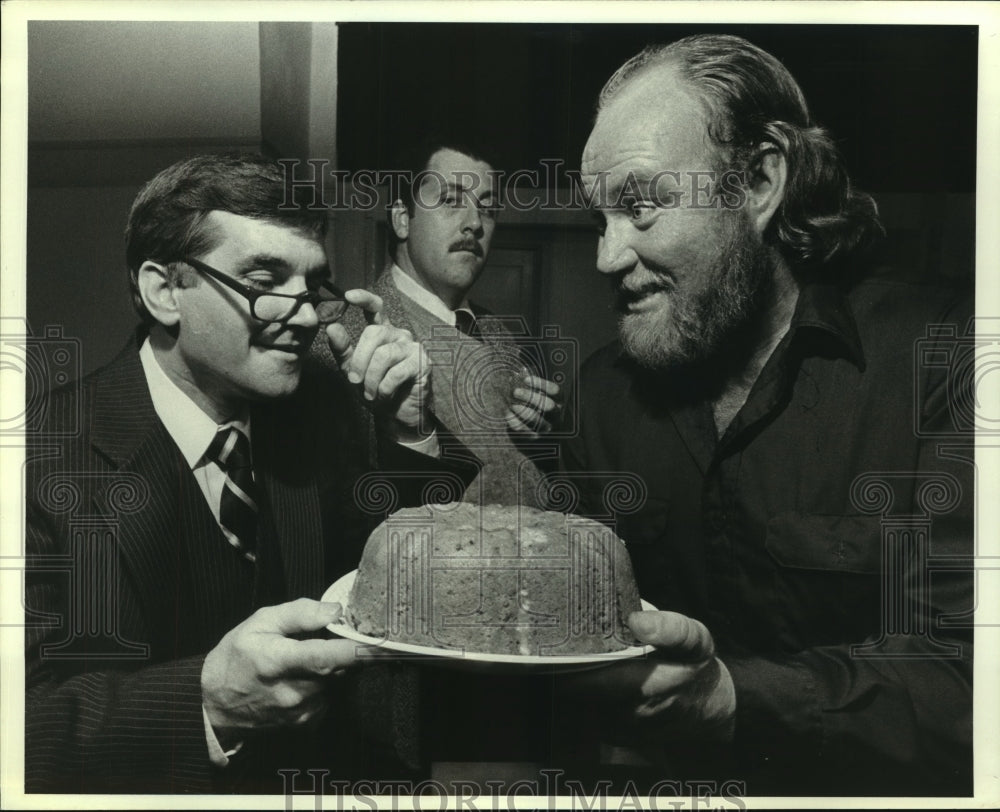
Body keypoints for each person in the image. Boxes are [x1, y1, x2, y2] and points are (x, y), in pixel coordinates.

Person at [560, 35, 973, 796]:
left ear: (757, 181)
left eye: (641, 206)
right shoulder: (601, 400)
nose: (608, 257)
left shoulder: (947, 359)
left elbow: (972, 681)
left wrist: (729, 697)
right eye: (600, 220)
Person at [23, 153, 470, 793]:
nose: (310, 315)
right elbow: (21, 726)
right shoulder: (35, 458)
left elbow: (407, 584)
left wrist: (409, 426)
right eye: (265, 278)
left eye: (312, 284)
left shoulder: (321, 415)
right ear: (163, 290)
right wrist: (204, 707)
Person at [335, 136, 560, 509]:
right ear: (402, 219)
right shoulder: (346, 338)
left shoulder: (507, 337)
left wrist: (548, 438)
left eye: (488, 209)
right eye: (451, 201)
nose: (474, 223)